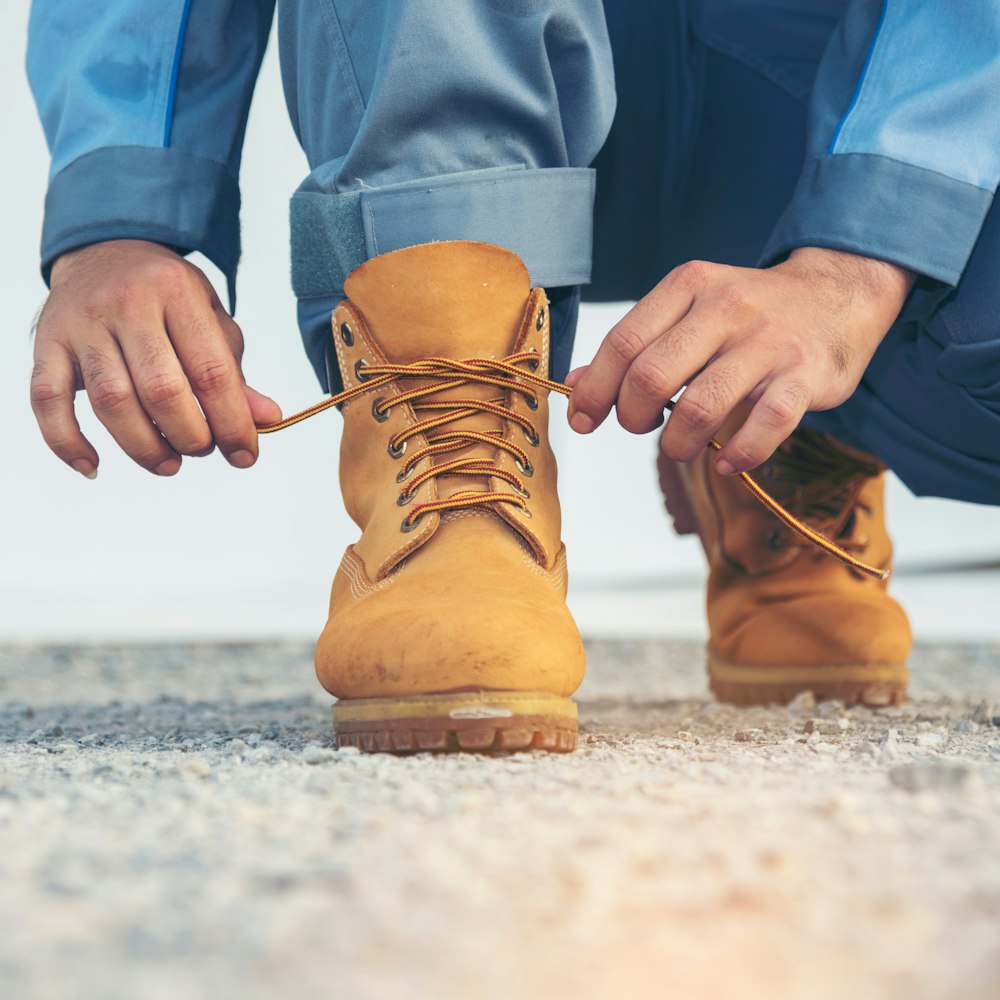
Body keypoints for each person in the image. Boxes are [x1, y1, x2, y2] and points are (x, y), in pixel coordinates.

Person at [26, 1, 1000, 752]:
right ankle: (460, 463)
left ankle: (784, 425)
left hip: (846, 106)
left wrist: (861, 258)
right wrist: (121, 211)